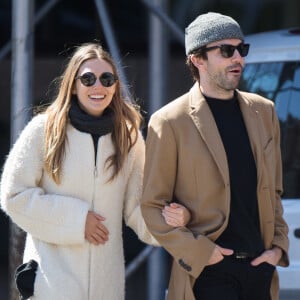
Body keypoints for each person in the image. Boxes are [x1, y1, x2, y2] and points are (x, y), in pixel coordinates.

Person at [0, 43, 190, 300]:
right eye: (87, 79)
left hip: (106, 287)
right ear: (73, 85)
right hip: (51, 285)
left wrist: (172, 221)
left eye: (106, 78)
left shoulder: (129, 135)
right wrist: (77, 221)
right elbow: (13, 196)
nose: (97, 86)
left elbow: (139, 207)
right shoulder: (43, 130)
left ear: (115, 86)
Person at [141, 12, 289, 300]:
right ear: (198, 59)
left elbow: (275, 190)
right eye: (226, 50)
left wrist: (278, 248)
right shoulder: (170, 121)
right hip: (209, 275)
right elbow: (151, 206)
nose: (239, 59)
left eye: (241, 49)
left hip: (260, 270)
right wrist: (201, 253)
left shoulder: (264, 111)